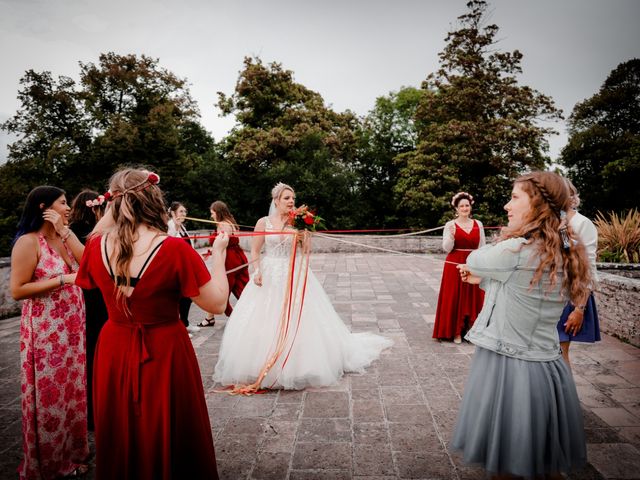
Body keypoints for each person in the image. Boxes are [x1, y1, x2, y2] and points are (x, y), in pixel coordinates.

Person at [75, 168, 230, 479]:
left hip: (114, 348)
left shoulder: (95, 247)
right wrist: (219, 256)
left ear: (114, 204)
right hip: (165, 350)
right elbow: (216, 304)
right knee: (171, 428)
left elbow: (97, 237)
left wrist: (113, 208)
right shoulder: (174, 250)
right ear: (154, 200)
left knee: (121, 428)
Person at [453, 171, 590, 478]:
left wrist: (509, 237)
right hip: (548, 367)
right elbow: (522, 288)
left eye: (514, 198)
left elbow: (476, 257)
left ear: (538, 205)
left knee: (508, 463)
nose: (506, 206)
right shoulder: (560, 252)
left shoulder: (514, 250)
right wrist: (485, 280)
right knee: (543, 462)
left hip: (510, 370)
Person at [213, 182, 393, 392]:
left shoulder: (298, 222)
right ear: (276, 201)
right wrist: (258, 271)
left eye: (293, 199)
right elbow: (255, 250)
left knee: (302, 317)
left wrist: (305, 234)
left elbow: (306, 251)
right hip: (270, 272)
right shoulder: (263, 222)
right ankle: (262, 363)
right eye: (287, 198)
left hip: (294, 273)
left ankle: (300, 365)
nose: (291, 202)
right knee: (264, 317)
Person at [10, 186, 89, 479]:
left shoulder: (65, 239)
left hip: (73, 328)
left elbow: (89, 264)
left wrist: (65, 231)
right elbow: (17, 290)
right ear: (45, 206)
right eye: (63, 202)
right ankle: (50, 463)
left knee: (73, 391)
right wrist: (62, 279)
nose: (69, 207)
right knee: (50, 398)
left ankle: (73, 454)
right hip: (46, 332)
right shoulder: (29, 243)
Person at [69, 189, 109, 432]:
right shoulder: (81, 230)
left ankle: (94, 410)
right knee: (93, 351)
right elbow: (89, 262)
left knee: (92, 351)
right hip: (90, 295)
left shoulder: (80, 228)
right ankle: (92, 413)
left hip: (91, 295)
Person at [556, 179, 600, 368]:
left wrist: (579, 308)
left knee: (560, 351)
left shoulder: (583, 223)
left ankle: (564, 396)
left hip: (571, 296)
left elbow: (588, 268)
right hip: (548, 293)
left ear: (571, 197)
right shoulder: (554, 221)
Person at [432, 192, 486, 343]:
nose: (464, 208)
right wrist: (452, 236)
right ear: (456, 208)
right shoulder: (450, 224)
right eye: (461, 206)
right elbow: (447, 248)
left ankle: (471, 329)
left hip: (473, 263)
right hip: (454, 264)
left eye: (466, 205)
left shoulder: (478, 224)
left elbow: (482, 246)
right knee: (455, 295)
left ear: (470, 207)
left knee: (473, 295)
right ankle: (455, 331)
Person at [199, 200, 250, 327]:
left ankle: (233, 316)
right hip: (238, 255)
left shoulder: (222, 224)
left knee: (222, 288)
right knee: (240, 287)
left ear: (218, 212)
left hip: (229, 259)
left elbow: (224, 245)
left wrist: (220, 264)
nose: (211, 216)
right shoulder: (230, 222)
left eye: (212, 213)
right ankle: (210, 318)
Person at [167, 201, 200, 336]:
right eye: (181, 211)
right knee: (180, 297)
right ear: (173, 213)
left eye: (185, 212)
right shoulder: (169, 227)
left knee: (188, 295)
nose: (184, 214)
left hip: (185, 265)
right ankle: (180, 326)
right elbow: (169, 244)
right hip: (174, 266)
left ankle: (185, 322)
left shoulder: (182, 227)